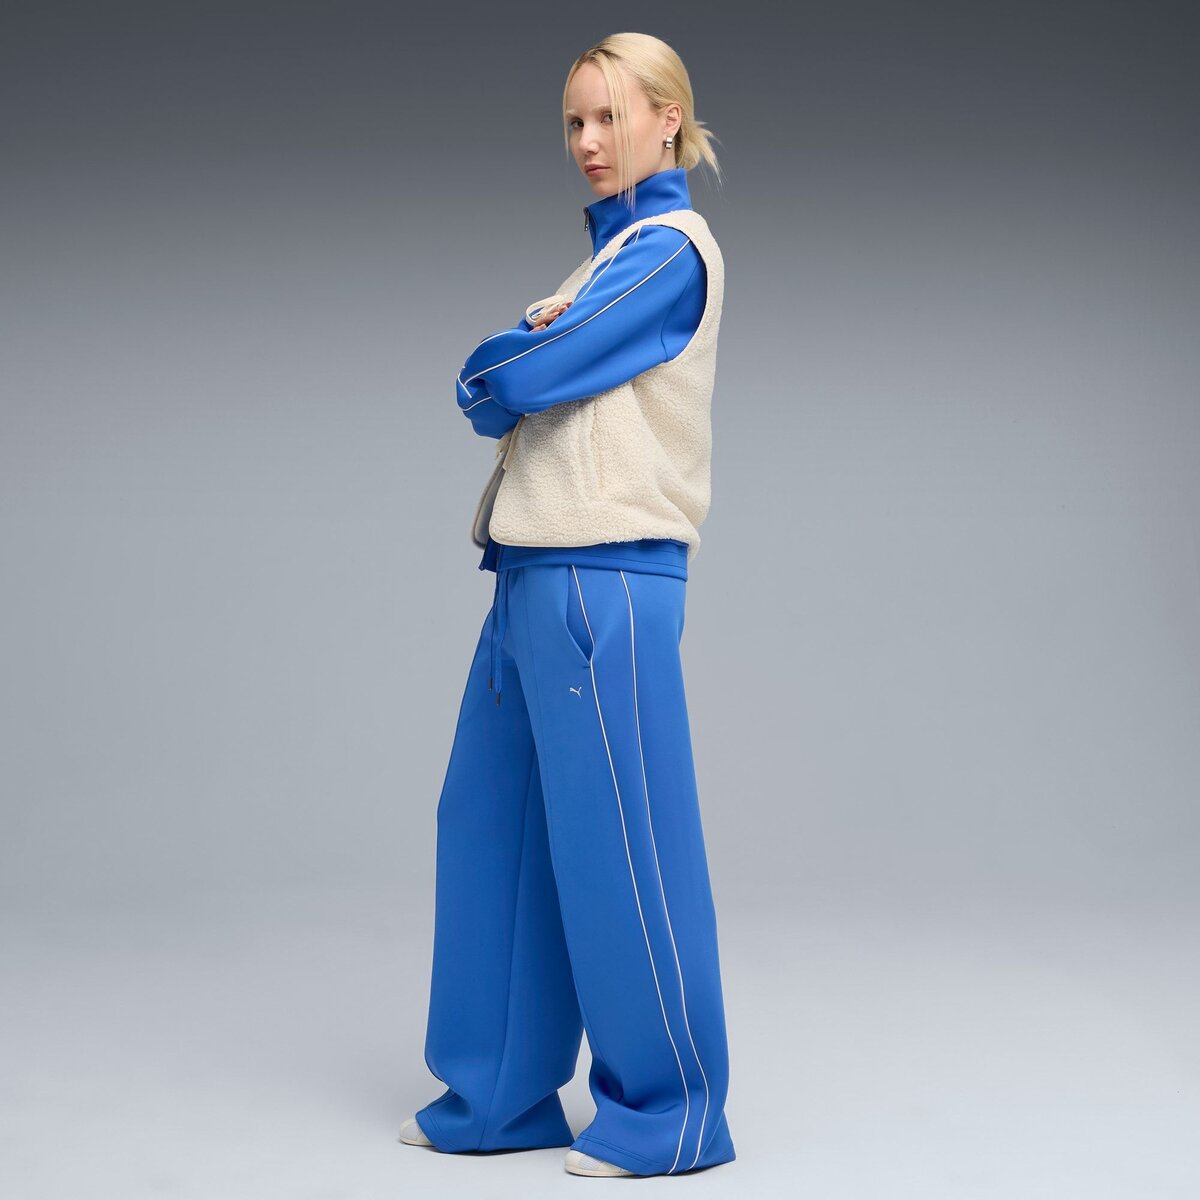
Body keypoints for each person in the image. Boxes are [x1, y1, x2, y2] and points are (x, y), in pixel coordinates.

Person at [397, 31, 736, 1179]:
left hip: (608, 573)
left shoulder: (670, 251)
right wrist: (527, 354)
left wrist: (499, 364)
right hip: (532, 573)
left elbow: (519, 376)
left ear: (668, 122)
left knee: (621, 845)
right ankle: (497, 1097)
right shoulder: (606, 262)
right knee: (491, 828)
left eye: (609, 116)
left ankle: (671, 1113)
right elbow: (540, 370)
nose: (588, 141)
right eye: (573, 122)